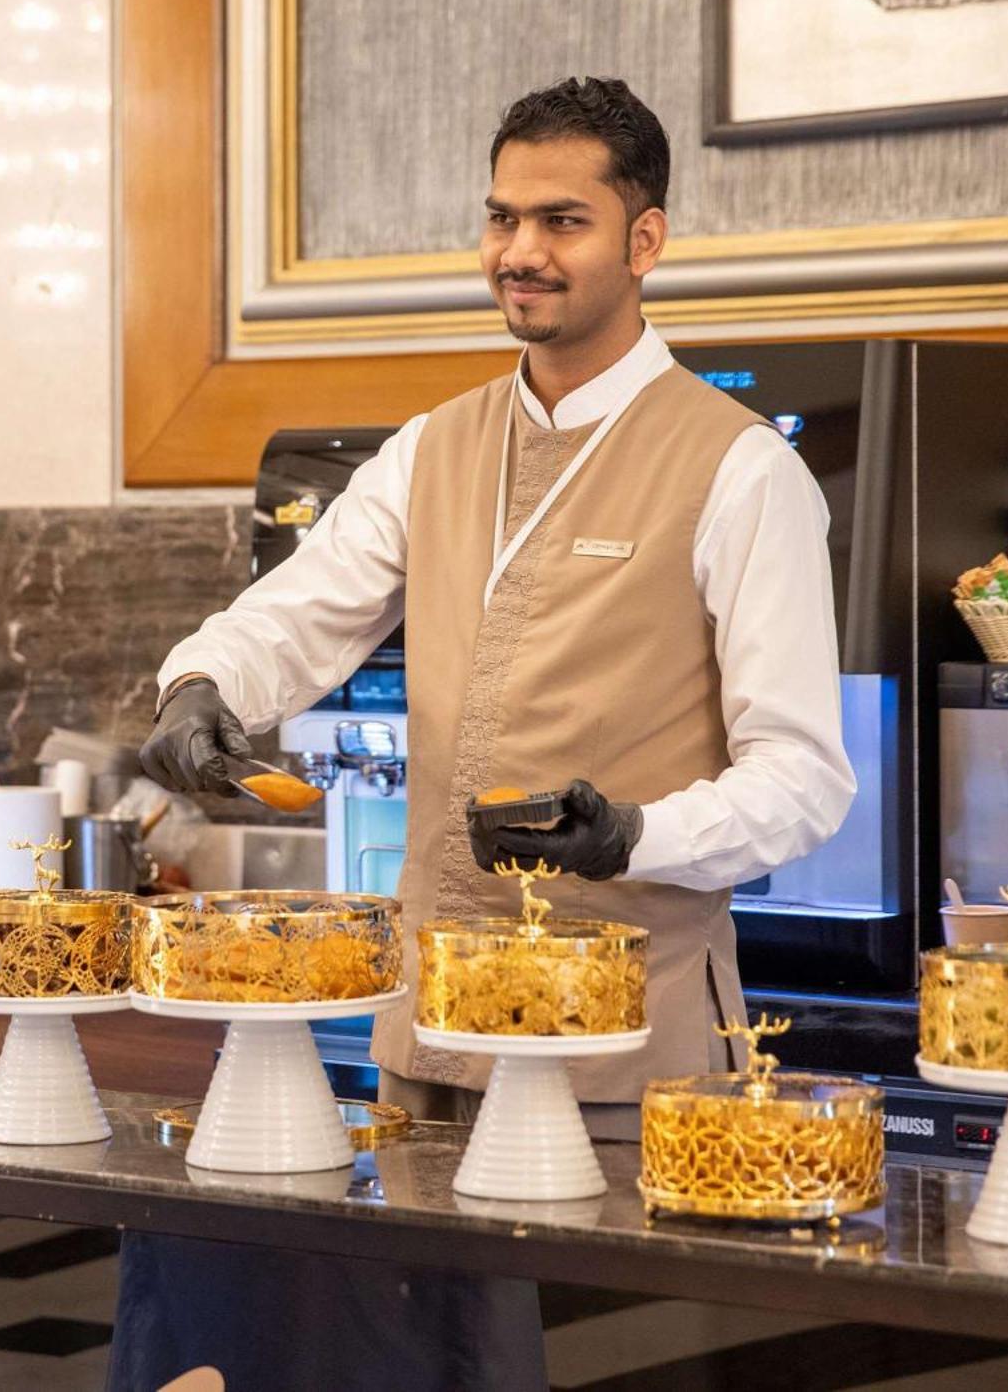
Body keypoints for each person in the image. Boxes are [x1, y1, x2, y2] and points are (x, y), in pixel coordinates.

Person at [113, 77, 853, 1391]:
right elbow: (299, 613)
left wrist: (638, 833)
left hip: (637, 1052)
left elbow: (804, 781)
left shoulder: (741, 470)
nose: (521, 251)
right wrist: (205, 688)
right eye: (503, 217)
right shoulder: (431, 449)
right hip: (431, 1040)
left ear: (646, 239)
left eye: (562, 219)